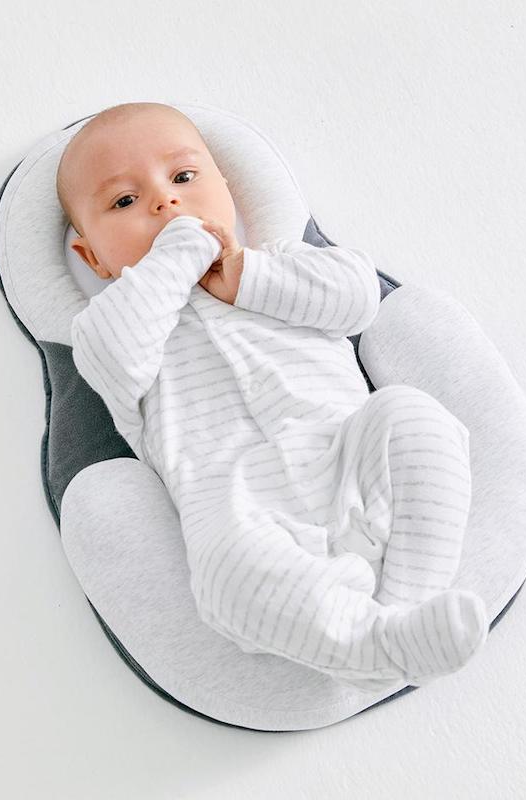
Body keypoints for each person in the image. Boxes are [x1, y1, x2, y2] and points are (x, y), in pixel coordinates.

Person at [58, 101, 488, 691]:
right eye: (125, 201)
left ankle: (406, 609)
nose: (165, 202)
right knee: (226, 576)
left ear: (226, 193)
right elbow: (115, 354)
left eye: (183, 177)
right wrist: (174, 259)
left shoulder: (279, 262)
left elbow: (357, 297)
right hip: (239, 503)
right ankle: (370, 643)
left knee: (412, 416)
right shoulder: (111, 321)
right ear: (93, 258)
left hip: (346, 454)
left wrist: (250, 278)